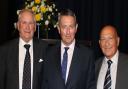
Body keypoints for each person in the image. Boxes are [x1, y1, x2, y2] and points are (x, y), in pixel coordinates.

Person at [42, 9, 96, 89]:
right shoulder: (48, 54)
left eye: (71, 26)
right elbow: (44, 85)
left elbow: (91, 86)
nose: (68, 32)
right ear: (58, 28)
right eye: (64, 27)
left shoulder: (87, 55)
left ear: (76, 28)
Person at [0, 9, 48, 89]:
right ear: (18, 25)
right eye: (24, 23)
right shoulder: (4, 50)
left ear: (35, 27)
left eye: (30, 23)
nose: (27, 27)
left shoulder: (45, 48)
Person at [96, 25, 128, 89]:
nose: (106, 43)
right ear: (99, 43)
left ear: (118, 41)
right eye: (103, 39)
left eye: (110, 38)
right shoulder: (94, 66)